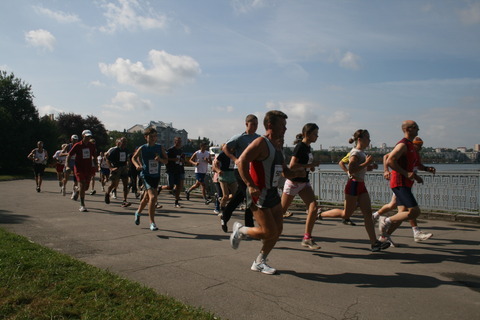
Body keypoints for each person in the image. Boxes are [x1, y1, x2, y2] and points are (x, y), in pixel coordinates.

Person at [230, 110, 303, 275]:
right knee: (268, 231)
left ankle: (260, 261)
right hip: (259, 193)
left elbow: (284, 171)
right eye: (282, 125)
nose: (285, 129)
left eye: (285, 126)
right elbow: (241, 162)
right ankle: (240, 230)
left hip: (272, 192)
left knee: (278, 230)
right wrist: (249, 184)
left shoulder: (277, 147)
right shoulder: (260, 143)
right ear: (270, 125)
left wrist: (297, 173)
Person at [320, 129, 390, 252]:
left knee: (368, 214)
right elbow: (352, 169)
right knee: (346, 214)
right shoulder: (355, 153)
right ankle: (319, 214)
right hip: (353, 186)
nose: (369, 140)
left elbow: (359, 169)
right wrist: (366, 163)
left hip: (361, 185)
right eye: (367, 138)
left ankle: (374, 243)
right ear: (360, 139)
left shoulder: (361, 152)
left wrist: (370, 167)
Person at [379, 121, 437, 242]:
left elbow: (412, 166)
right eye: (416, 127)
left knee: (402, 213)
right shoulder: (403, 145)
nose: (418, 130)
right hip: (400, 183)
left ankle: (384, 237)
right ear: (408, 129)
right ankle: (385, 220)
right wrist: (405, 173)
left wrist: (422, 172)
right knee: (415, 211)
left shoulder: (410, 145)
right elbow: (390, 161)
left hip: (405, 183)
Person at [281, 123, 322, 249]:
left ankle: (307, 238)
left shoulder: (308, 147)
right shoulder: (300, 147)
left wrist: (311, 167)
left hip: (304, 182)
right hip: (293, 182)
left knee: (314, 207)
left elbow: (304, 164)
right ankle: (265, 230)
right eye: (315, 133)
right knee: (281, 212)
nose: (317, 136)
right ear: (307, 134)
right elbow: (292, 165)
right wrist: (308, 166)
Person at [220, 114, 260, 232]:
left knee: (238, 197)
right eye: (253, 124)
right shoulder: (240, 138)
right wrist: (235, 159)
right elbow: (225, 148)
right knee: (249, 196)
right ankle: (249, 226)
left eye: (257, 124)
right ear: (246, 124)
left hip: (252, 172)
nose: (255, 127)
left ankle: (225, 216)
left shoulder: (258, 138)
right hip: (240, 171)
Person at [131, 127, 167, 231]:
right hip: (146, 175)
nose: (153, 138)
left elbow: (166, 161)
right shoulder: (143, 148)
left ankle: (138, 212)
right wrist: (137, 165)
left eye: (155, 136)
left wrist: (160, 159)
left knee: (146, 198)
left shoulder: (160, 148)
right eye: (151, 137)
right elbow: (133, 157)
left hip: (156, 175)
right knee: (152, 198)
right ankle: (152, 222)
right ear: (146, 137)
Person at [65, 130, 97, 212]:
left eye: (89, 136)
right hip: (79, 168)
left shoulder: (92, 146)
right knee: (82, 184)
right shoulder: (77, 145)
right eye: (86, 136)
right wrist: (67, 166)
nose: (88, 138)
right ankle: (82, 205)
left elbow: (94, 156)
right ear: (83, 136)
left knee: (86, 188)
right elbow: (69, 155)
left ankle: (77, 190)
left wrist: (96, 166)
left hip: (88, 168)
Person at [105, 137, 131, 207]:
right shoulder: (115, 150)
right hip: (116, 168)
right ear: (119, 143)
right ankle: (107, 193)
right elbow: (107, 159)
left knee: (125, 184)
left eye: (126, 142)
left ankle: (124, 200)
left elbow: (127, 158)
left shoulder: (126, 150)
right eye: (123, 142)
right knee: (114, 184)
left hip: (124, 168)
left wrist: (128, 165)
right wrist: (111, 168)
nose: (125, 144)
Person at [213, 146, 238, 214]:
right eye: (232, 148)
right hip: (224, 175)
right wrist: (218, 170)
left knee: (235, 195)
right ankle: (222, 210)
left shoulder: (236, 153)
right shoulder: (223, 153)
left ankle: (221, 200)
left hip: (232, 175)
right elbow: (215, 163)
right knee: (226, 195)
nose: (233, 150)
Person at [336, 152, 359, 226]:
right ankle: (346, 217)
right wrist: (347, 172)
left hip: (360, 181)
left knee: (357, 202)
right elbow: (341, 163)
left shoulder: (363, 153)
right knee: (351, 201)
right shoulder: (353, 153)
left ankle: (346, 216)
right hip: (353, 181)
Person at [163, 136, 186, 208]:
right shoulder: (170, 150)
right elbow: (165, 159)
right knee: (170, 186)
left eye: (180, 141)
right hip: (171, 170)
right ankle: (160, 188)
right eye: (178, 141)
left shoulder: (181, 151)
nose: (179, 143)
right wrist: (173, 159)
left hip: (178, 169)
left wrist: (182, 160)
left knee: (179, 186)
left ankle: (176, 202)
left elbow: (183, 159)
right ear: (175, 142)